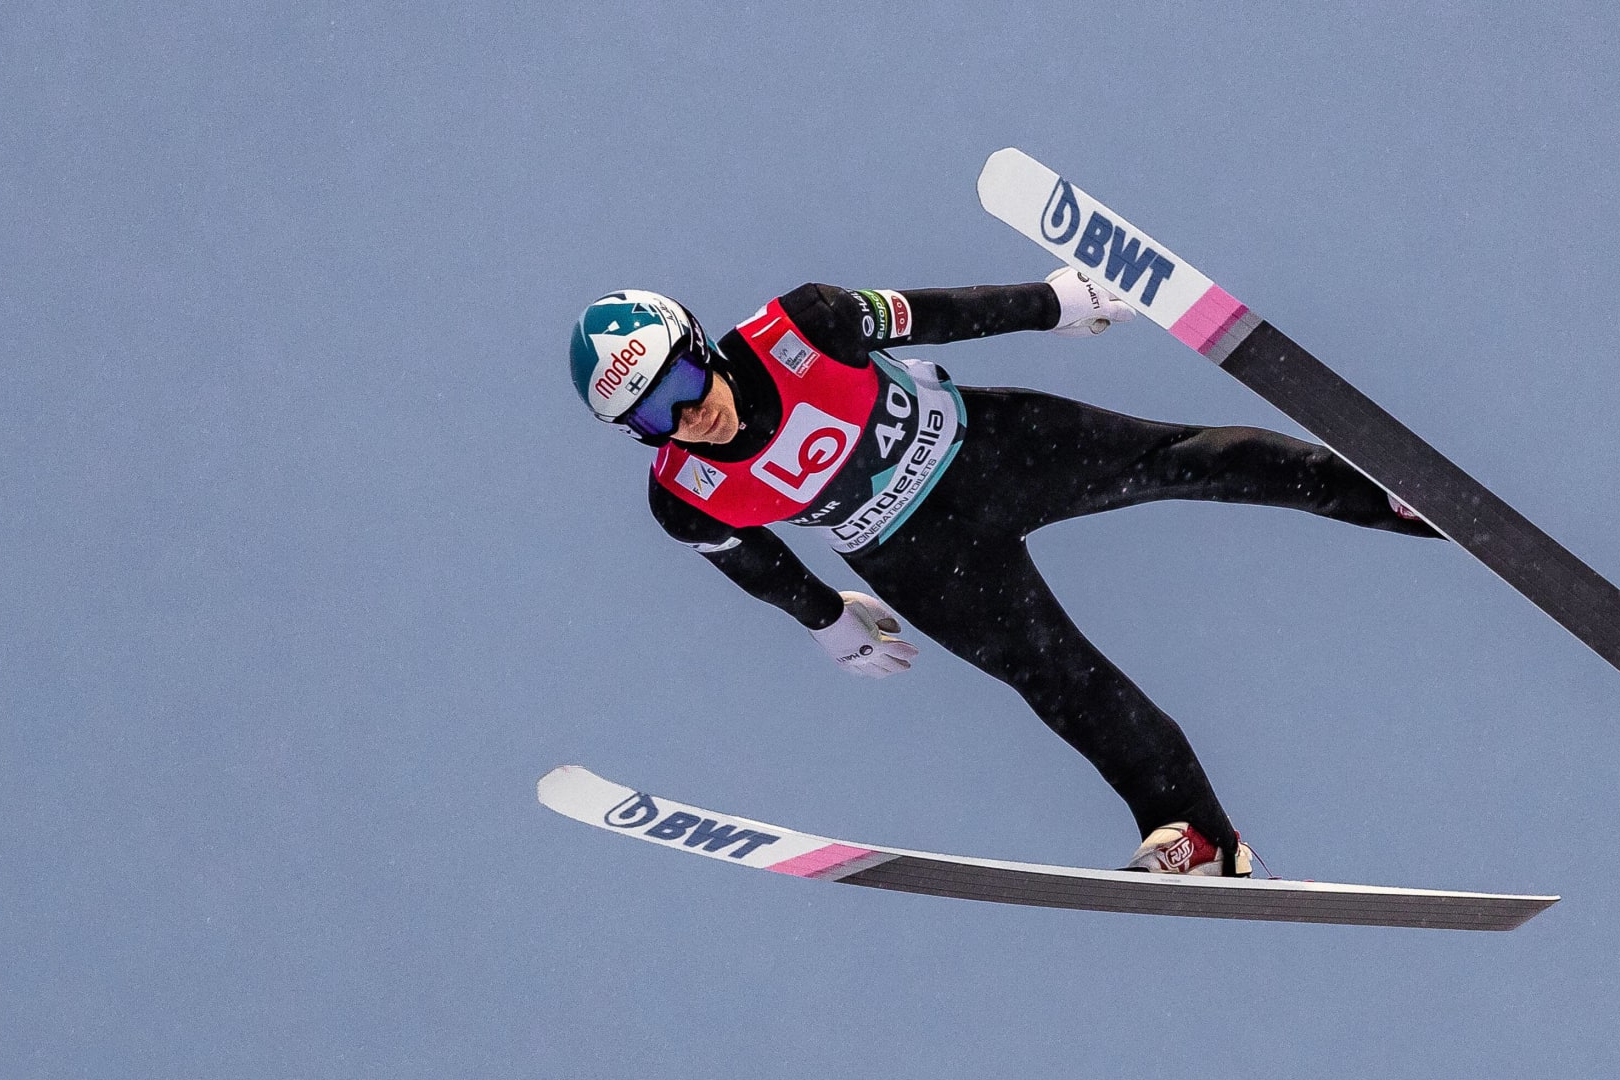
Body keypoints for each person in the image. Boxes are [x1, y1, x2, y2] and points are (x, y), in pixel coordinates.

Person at [567, 272, 1438, 876]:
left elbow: (938, 313)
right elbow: (756, 562)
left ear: (699, 344)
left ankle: (1400, 500)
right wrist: (825, 616)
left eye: (680, 383)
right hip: (921, 559)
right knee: (1060, 680)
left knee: (1186, 460)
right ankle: (1199, 839)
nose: (687, 415)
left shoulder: (803, 325)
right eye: (653, 416)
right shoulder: (685, 497)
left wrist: (1054, 303)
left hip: (992, 451)